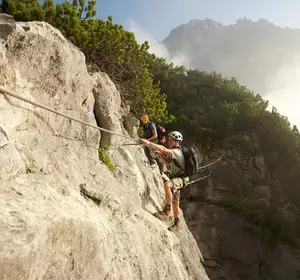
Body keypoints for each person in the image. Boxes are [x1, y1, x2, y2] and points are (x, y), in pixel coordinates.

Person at [140, 131, 188, 232]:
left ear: (177, 142)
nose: (169, 142)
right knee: (175, 202)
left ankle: (166, 212)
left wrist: (148, 143)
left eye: (171, 140)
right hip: (178, 178)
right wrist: (161, 156)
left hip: (180, 179)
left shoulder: (177, 151)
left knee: (167, 185)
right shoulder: (175, 152)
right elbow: (169, 164)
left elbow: (163, 149)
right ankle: (177, 224)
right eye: (169, 140)